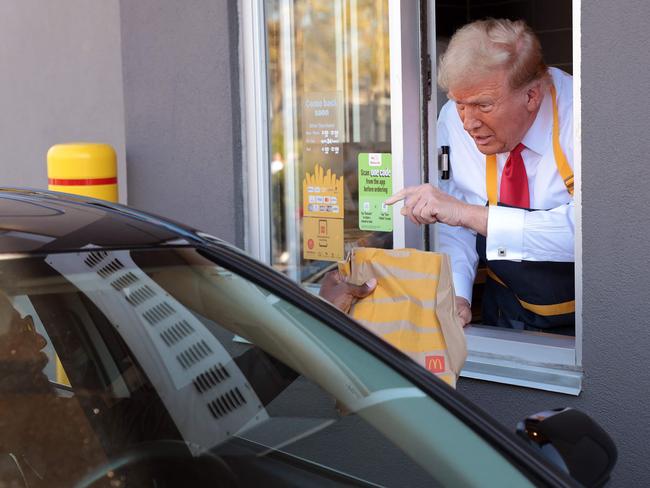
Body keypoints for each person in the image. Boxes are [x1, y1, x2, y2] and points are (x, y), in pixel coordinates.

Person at [386, 19, 575, 334]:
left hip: (588, 323)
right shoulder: (453, 119)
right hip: (506, 311)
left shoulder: (581, 116)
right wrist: (458, 293)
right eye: (460, 104)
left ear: (532, 96)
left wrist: (467, 214)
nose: (469, 123)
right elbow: (454, 219)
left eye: (483, 105)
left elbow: (593, 235)